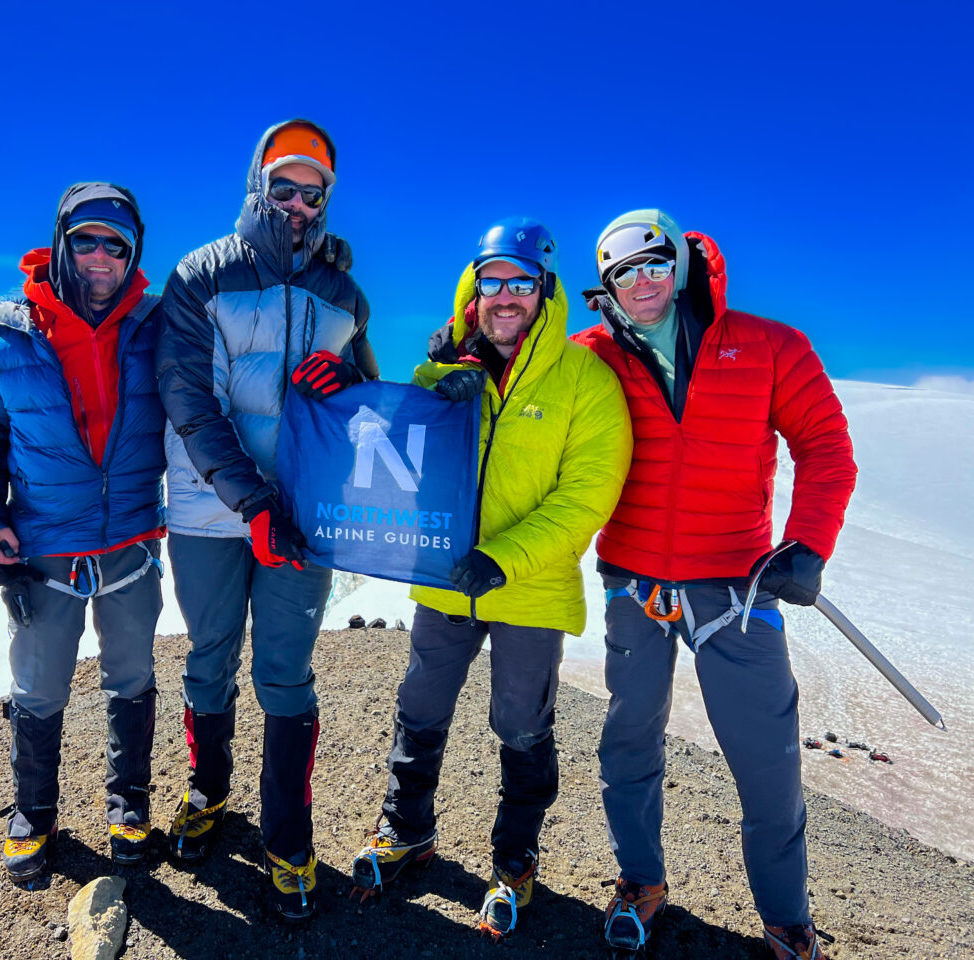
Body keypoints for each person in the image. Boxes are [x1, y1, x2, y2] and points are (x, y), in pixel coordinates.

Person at [576, 209, 857, 959]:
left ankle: (785, 918)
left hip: (737, 584)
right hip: (633, 582)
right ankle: (641, 881)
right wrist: (458, 348)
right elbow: (519, 382)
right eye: (622, 273)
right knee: (629, 737)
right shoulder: (590, 354)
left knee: (767, 757)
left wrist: (808, 545)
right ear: (605, 286)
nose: (642, 282)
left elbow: (826, 446)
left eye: (654, 263)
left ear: (683, 263)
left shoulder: (768, 346)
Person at [350, 218, 633, 940]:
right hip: (445, 579)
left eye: (520, 282)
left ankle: (514, 861)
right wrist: (388, 388)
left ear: (545, 289)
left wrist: (503, 557)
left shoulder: (585, 383)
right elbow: (400, 456)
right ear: (473, 292)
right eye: (491, 282)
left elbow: (586, 497)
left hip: (530, 587)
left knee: (520, 721)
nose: (505, 297)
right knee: (420, 703)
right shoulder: (448, 376)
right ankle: (406, 829)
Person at [155, 120, 378, 921]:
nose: (294, 201)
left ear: (325, 198)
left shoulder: (344, 295)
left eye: (309, 189)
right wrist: (250, 504)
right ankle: (208, 793)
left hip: (305, 519)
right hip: (213, 513)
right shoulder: (202, 275)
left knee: (285, 673)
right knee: (209, 656)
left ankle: (288, 838)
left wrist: (343, 378)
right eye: (281, 185)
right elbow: (188, 397)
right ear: (258, 185)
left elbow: (368, 410)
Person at [0, 183, 167, 881]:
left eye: (116, 243)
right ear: (60, 242)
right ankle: (33, 813)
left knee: (131, 677)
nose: (101, 255)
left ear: (132, 250)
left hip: (131, 540)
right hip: (44, 547)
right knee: (40, 686)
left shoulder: (156, 323)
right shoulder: (6, 333)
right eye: (86, 240)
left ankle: (127, 806)